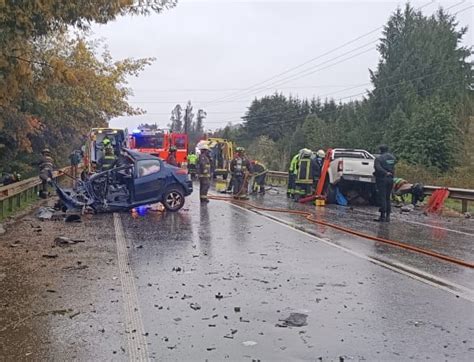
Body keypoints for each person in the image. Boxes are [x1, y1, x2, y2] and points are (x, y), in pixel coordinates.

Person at [373, 144, 396, 222]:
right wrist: (390, 174)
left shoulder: (379, 158)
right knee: (387, 197)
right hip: (391, 179)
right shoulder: (392, 158)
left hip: (382, 179)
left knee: (382, 197)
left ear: (380, 150)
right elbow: (393, 167)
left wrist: (385, 172)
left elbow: (377, 168)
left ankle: (382, 216)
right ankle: (388, 216)